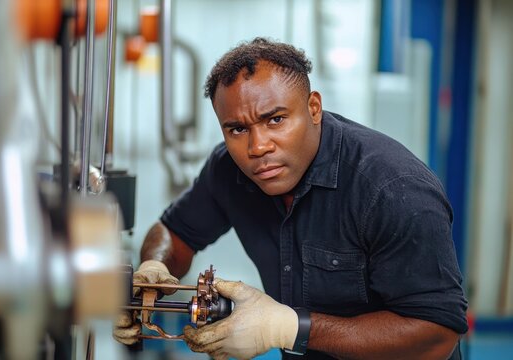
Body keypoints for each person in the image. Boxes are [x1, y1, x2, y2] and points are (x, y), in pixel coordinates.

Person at [113, 37, 468, 359]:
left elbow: (437, 335)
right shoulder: (229, 170)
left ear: (314, 108)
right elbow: (175, 233)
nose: (258, 147)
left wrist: (290, 328)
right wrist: (153, 273)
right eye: (237, 129)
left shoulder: (392, 189)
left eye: (276, 119)